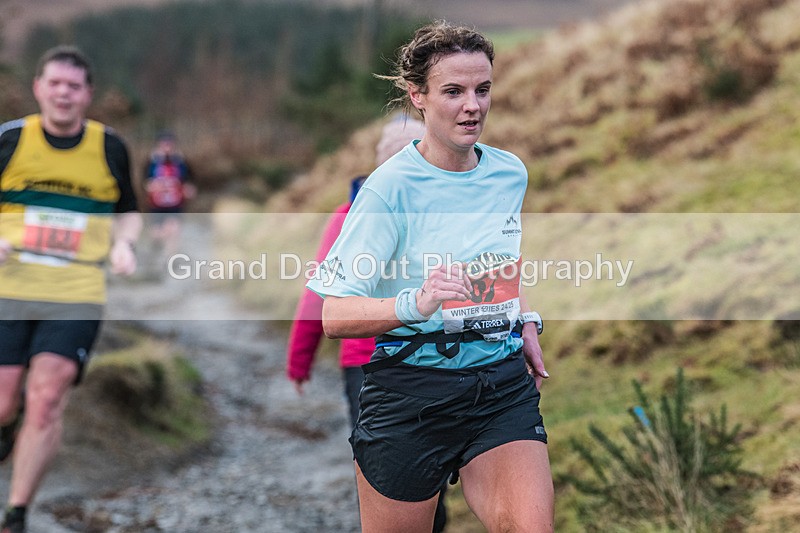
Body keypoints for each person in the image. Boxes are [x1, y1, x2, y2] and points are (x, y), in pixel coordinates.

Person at [307, 21, 554, 532]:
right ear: (418, 96)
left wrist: (523, 319)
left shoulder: (509, 172)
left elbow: (501, 262)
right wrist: (413, 305)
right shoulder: (386, 191)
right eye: (453, 92)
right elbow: (334, 313)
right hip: (410, 392)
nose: (473, 106)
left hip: (499, 385)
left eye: (482, 89)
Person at [0, 45, 142, 533]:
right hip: (9, 288)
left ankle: (16, 513)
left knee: (47, 396)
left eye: (74, 86)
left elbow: (128, 212)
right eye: (55, 83)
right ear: (38, 87)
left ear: (88, 95)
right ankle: (6, 423)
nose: (63, 93)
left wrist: (124, 246)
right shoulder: (11, 140)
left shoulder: (110, 147)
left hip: (76, 289)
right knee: (3, 401)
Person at [286, 116, 451, 532]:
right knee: (395, 474)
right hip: (370, 363)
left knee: (415, 475)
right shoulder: (350, 217)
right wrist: (299, 360)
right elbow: (318, 297)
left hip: (433, 360)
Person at [142, 129, 195, 260]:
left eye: (169, 144)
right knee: (157, 234)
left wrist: (189, 188)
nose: (167, 147)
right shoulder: (151, 162)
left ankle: (170, 260)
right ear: (159, 145)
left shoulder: (181, 162)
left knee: (173, 231)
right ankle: (157, 252)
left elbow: (190, 179)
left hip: (175, 203)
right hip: (157, 204)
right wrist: (150, 186)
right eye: (164, 144)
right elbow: (144, 181)